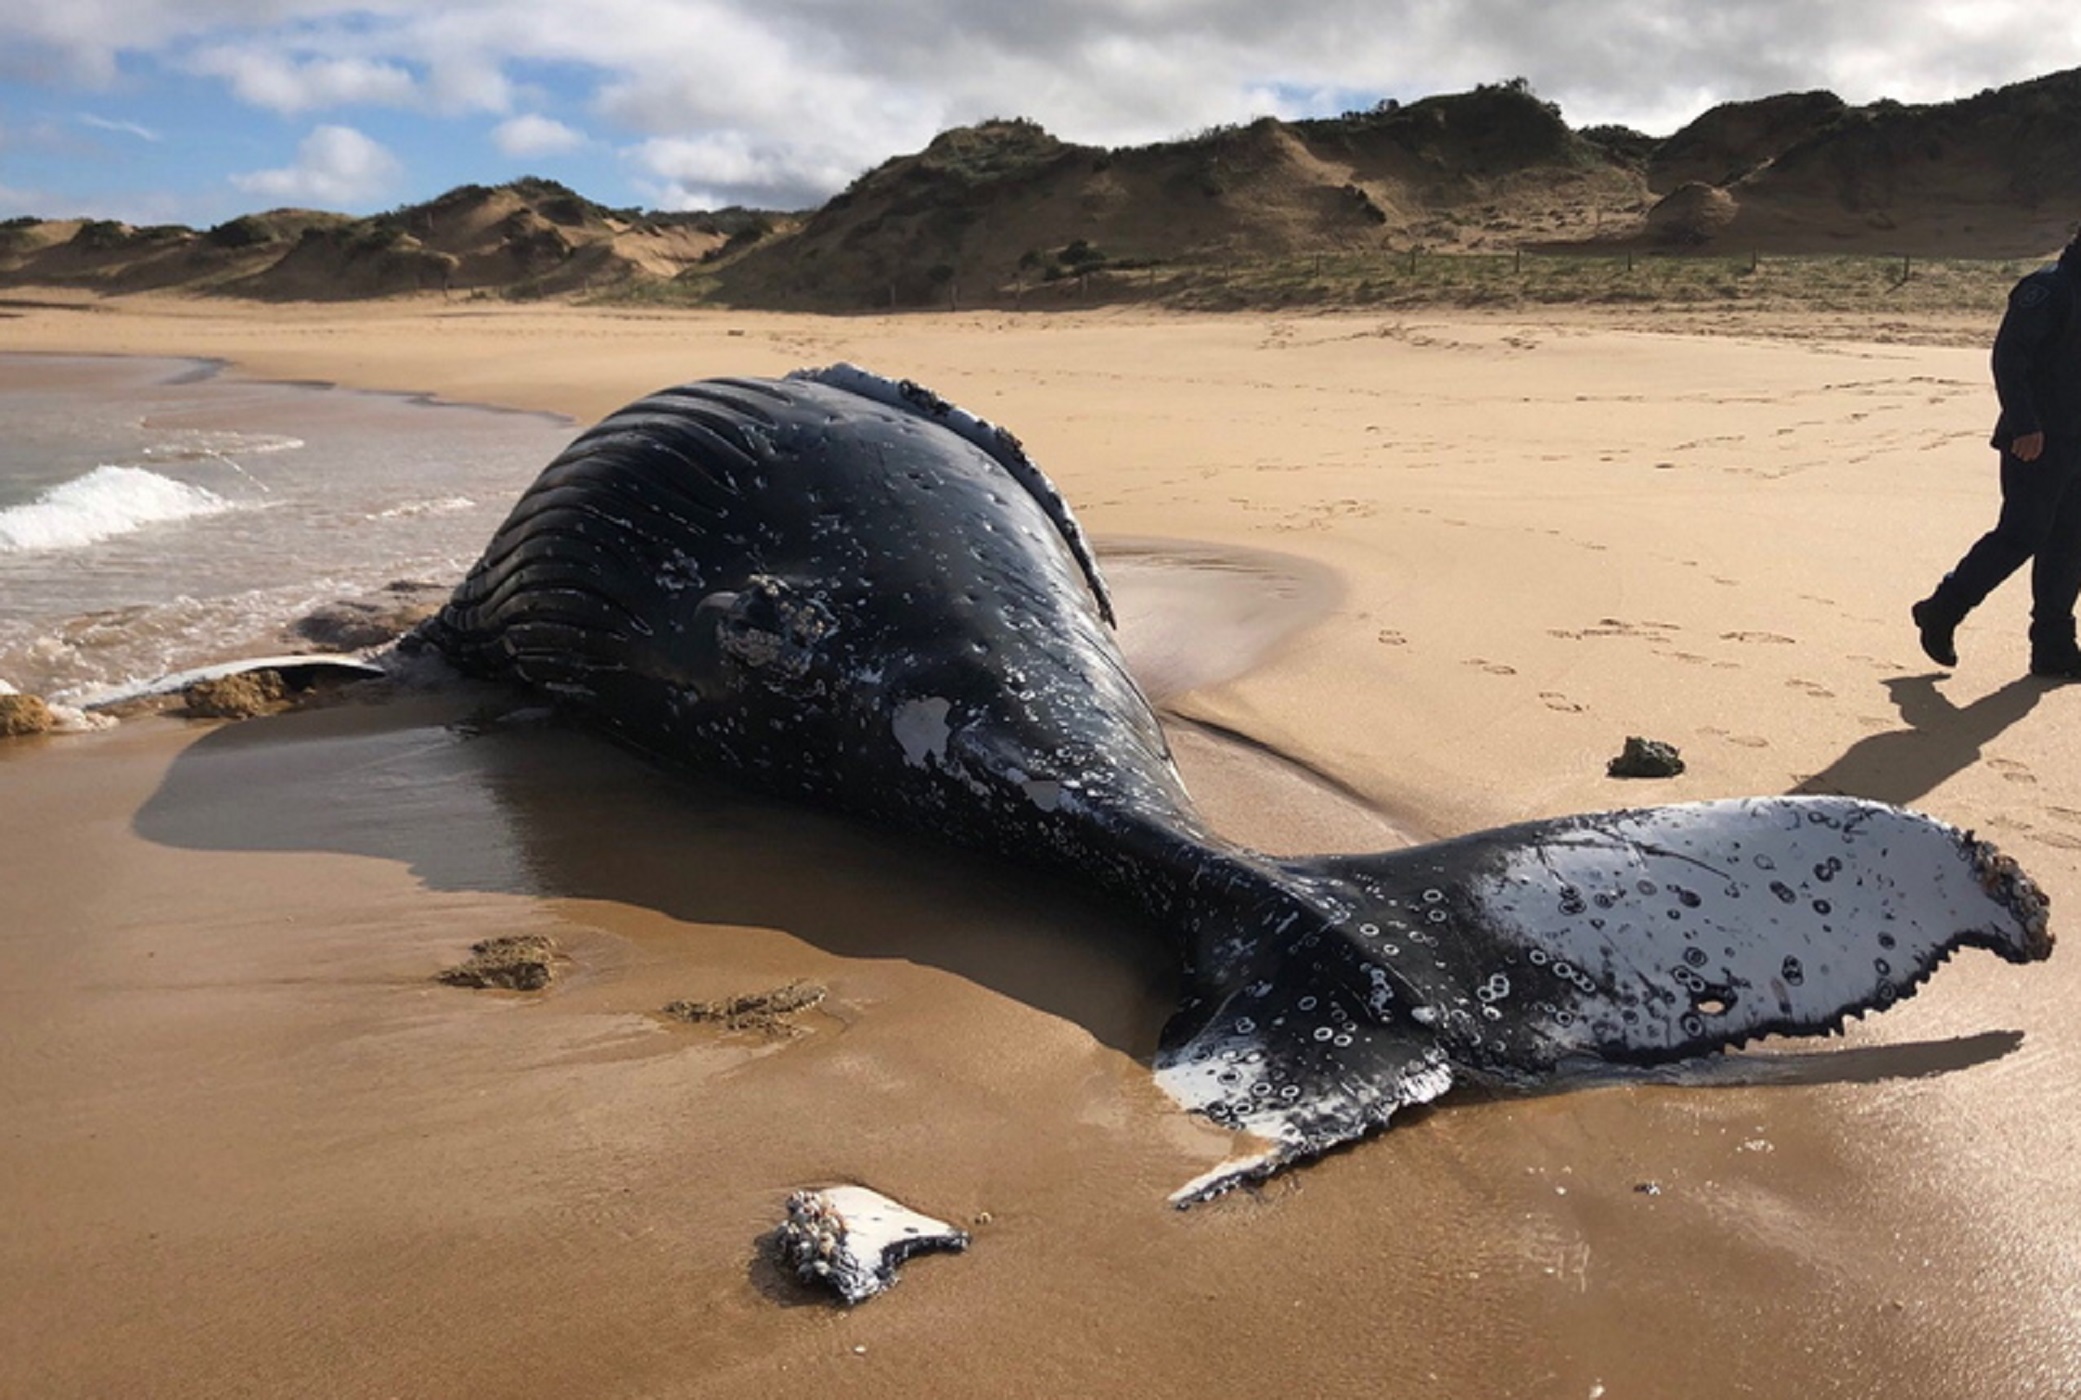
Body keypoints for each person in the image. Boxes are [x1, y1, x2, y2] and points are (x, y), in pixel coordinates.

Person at [1914, 234, 2081, 680]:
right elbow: (2009, 357)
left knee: (2069, 542)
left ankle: (2054, 647)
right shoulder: (2048, 288)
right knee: (2021, 535)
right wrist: (2025, 423)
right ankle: (1942, 608)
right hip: (2038, 440)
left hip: (2076, 440)